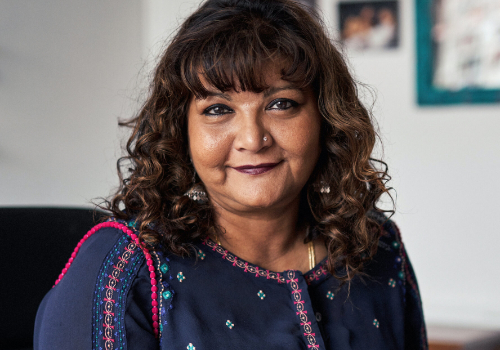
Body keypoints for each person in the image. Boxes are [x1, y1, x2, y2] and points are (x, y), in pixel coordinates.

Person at [34, 0, 427, 349]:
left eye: (281, 103)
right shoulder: (125, 268)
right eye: (218, 109)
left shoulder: (377, 248)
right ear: (180, 131)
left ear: (325, 118)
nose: (253, 139)